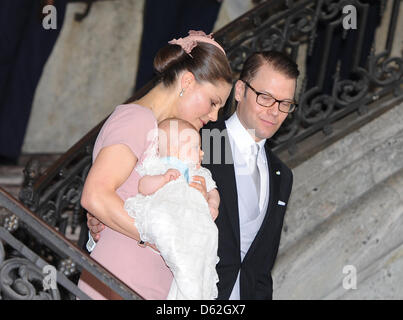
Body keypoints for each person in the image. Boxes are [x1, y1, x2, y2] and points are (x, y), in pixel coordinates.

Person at [88, 50, 299, 299]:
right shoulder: (194, 136)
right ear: (240, 91)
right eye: (265, 98)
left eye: (285, 104)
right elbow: (120, 188)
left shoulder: (281, 174)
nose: (275, 111)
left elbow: (261, 262)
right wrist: (98, 223)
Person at [77, 30, 232, 300]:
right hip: (124, 278)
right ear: (186, 81)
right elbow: (95, 195)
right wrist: (168, 236)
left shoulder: (163, 133)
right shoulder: (138, 120)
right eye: (212, 102)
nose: (214, 116)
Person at [124, 118, 220, 300]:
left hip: (194, 225)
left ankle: (193, 289)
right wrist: (162, 179)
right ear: (175, 151)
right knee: (174, 245)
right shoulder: (158, 166)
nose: (202, 153)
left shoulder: (200, 173)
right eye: (195, 147)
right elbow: (143, 186)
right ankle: (189, 288)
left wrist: (212, 203)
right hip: (168, 217)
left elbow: (214, 191)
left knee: (206, 242)